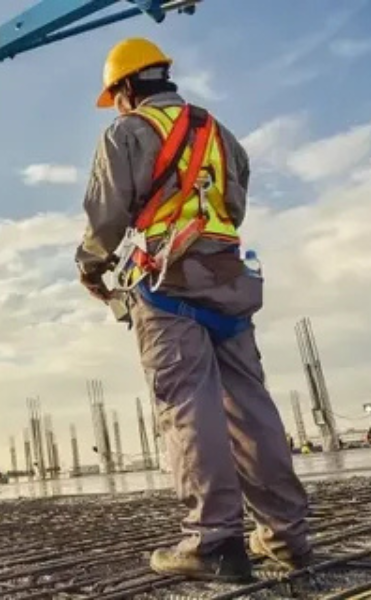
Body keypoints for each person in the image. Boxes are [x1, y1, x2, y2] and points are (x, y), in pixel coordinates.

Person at [75, 37, 311, 582]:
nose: (115, 105)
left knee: (187, 405)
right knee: (251, 407)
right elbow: (233, 205)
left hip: (167, 284)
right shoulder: (221, 136)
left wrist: (89, 267)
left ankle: (214, 542)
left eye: (114, 95)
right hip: (228, 279)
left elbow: (106, 218)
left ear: (127, 86)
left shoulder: (127, 133)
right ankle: (289, 537)